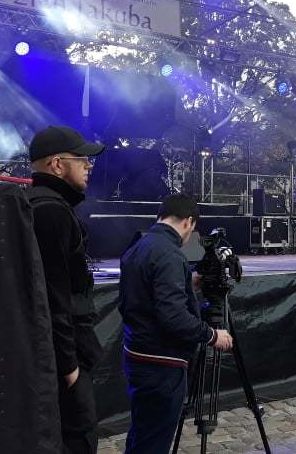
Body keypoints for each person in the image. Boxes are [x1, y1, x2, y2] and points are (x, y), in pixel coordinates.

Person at [119, 194, 233, 454]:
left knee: (142, 433)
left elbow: (139, 295)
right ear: (188, 222)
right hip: (161, 364)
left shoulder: (139, 245)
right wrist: (212, 335)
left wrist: (186, 282)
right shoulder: (170, 254)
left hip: (137, 354)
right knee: (154, 442)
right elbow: (174, 318)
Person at [27, 125, 106, 454]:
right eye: (82, 159)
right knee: (78, 438)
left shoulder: (36, 204)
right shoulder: (52, 212)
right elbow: (54, 297)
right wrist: (69, 365)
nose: (89, 166)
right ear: (57, 164)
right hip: (64, 355)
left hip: (52, 352)